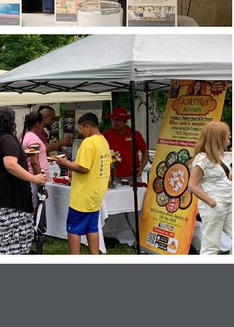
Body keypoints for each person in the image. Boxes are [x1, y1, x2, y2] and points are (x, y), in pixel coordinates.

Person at [0, 107, 46, 254]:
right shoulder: (7, 139)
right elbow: (10, 165)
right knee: (9, 232)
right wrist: (34, 178)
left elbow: (6, 158)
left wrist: (24, 154)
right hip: (6, 196)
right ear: (9, 122)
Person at [50, 112, 111, 255]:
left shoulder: (88, 143)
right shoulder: (103, 141)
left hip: (83, 196)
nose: (80, 132)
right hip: (96, 194)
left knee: (73, 229)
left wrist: (65, 163)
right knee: (92, 228)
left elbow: (84, 168)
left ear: (87, 126)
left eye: (81, 129)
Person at [188, 121, 232, 256]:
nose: (229, 139)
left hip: (229, 203)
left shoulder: (222, 156)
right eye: (227, 136)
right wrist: (211, 202)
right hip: (214, 206)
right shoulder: (202, 159)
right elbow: (192, 186)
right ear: (218, 137)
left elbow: (225, 176)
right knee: (211, 245)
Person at [101, 107, 147, 180]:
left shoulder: (135, 134)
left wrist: (142, 167)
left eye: (118, 119)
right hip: (112, 176)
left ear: (125, 121)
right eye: (114, 120)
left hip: (132, 176)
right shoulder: (106, 135)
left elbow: (145, 151)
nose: (115, 122)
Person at [21, 111, 50, 209]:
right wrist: (42, 185)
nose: (43, 127)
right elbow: (34, 162)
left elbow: (28, 155)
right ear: (38, 124)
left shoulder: (25, 136)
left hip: (31, 179)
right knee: (33, 212)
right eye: (42, 124)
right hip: (34, 180)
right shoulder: (33, 139)